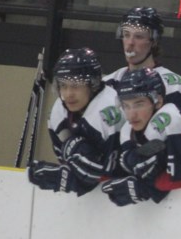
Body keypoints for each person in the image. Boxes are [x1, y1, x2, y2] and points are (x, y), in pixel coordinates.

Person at [27, 48, 123, 196]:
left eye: (76, 86)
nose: (68, 94)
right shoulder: (59, 112)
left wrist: (63, 179)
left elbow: (107, 171)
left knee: (75, 146)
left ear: (93, 84)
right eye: (63, 86)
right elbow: (66, 161)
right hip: (97, 199)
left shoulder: (109, 111)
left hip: (125, 189)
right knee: (72, 146)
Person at [101, 67, 181, 207]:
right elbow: (131, 168)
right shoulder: (127, 131)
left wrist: (144, 188)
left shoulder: (171, 118)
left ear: (158, 101)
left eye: (139, 104)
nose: (131, 115)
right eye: (126, 106)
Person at [104, 7, 181, 116]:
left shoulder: (172, 84)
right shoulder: (109, 82)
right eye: (126, 35)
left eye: (139, 36)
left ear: (154, 41)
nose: (130, 42)